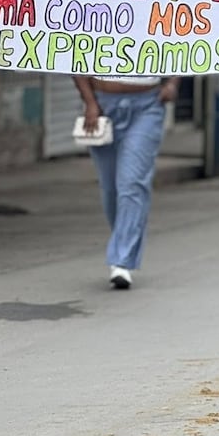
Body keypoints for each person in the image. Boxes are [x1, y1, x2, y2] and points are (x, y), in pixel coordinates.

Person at [72, 72, 179, 289]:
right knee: (110, 188)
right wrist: (90, 101)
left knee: (132, 184)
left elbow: (182, 46)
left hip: (147, 105)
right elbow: (75, 55)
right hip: (102, 105)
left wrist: (173, 83)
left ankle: (122, 260)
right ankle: (123, 242)